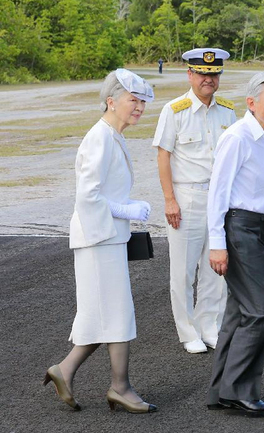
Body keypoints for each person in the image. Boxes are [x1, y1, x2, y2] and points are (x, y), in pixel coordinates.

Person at [44, 69, 157, 414]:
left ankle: (65, 371)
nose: (138, 107)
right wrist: (127, 209)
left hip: (105, 238)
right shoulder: (101, 137)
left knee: (102, 315)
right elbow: (87, 196)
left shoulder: (113, 135)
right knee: (116, 313)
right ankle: (120, 388)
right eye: (132, 101)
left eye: (141, 102)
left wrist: (124, 211)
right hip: (98, 239)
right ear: (112, 102)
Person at [205, 72, 264, 415]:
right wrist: (217, 244)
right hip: (238, 229)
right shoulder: (237, 138)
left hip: (256, 229)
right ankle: (239, 389)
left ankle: (220, 390)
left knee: (239, 311)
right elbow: (218, 194)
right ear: (251, 103)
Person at [153, 48, 236, 354]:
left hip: (219, 198)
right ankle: (188, 331)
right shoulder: (174, 110)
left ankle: (209, 325)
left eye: (213, 74)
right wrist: (169, 200)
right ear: (189, 74)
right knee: (184, 271)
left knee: (218, 268)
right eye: (202, 73)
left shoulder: (228, 111)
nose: (208, 80)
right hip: (186, 197)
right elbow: (163, 156)